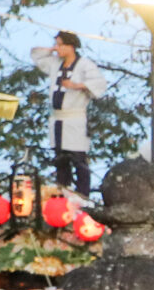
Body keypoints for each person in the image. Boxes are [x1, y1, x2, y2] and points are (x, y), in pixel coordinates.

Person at [32, 30, 111, 191]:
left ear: (71, 46)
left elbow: (99, 83)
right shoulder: (55, 63)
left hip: (75, 119)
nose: (57, 48)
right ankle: (62, 191)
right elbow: (36, 56)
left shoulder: (84, 64)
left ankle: (83, 194)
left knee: (79, 160)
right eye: (56, 45)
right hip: (57, 119)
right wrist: (52, 49)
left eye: (60, 45)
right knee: (60, 160)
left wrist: (76, 85)